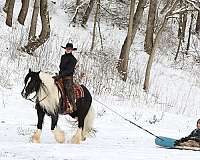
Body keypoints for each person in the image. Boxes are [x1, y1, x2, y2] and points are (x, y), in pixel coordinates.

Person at [59, 43, 77, 112]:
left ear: (72, 50)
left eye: (69, 49)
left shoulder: (73, 59)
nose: (68, 50)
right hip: (60, 76)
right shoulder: (62, 57)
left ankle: (73, 107)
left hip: (68, 78)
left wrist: (61, 75)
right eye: (67, 48)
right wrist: (59, 75)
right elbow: (60, 67)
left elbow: (69, 70)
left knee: (68, 89)